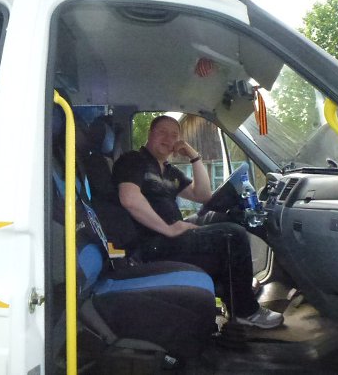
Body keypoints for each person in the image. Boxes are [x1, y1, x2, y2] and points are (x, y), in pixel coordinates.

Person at [112, 115, 283, 329]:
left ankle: (238, 289)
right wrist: (168, 229)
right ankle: (245, 311)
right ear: (150, 134)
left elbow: (203, 195)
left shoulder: (169, 171)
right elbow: (129, 198)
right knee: (232, 234)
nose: (168, 139)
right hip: (151, 243)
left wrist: (194, 157)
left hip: (171, 236)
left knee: (222, 219)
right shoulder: (133, 161)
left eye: (174, 135)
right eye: (162, 132)